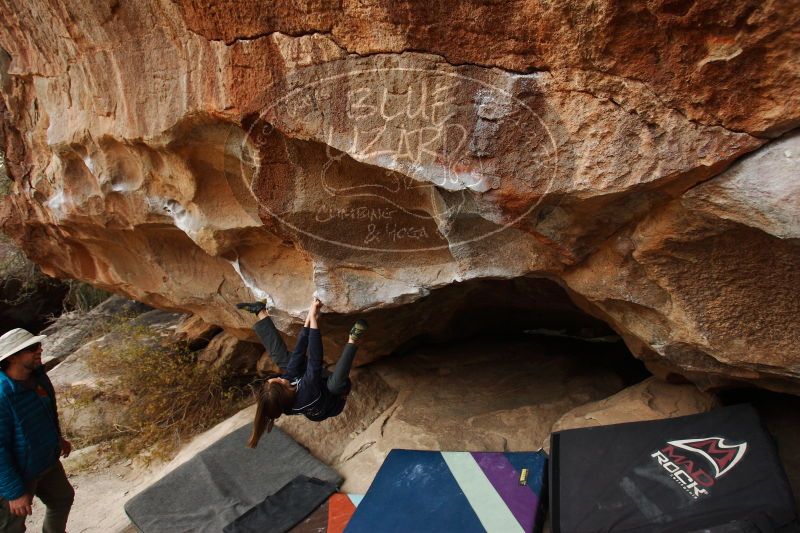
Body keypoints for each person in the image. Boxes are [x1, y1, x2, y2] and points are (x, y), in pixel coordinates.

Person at [236, 298, 368, 448]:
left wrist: (309, 318)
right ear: (285, 391)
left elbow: (298, 354)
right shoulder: (306, 393)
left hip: (310, 383)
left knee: (282, 359)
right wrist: (314, 321)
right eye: (279, 380)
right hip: (334, 397)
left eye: (276, 378)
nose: (280, 377)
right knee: (335, 385)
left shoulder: (284, 393)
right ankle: (353, 340)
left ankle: (260, 311)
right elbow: (315, 358)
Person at [0, 328, 74, 533]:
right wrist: (14, 492)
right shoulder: (3, 395)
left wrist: (57, 438)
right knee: (11, 528)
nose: (40, 350)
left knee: (62, 499)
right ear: (12, 357)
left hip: (44, 460)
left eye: (38, 345)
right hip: (15, 473)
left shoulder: (38, 377)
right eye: (32, 348)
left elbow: (48, 411)